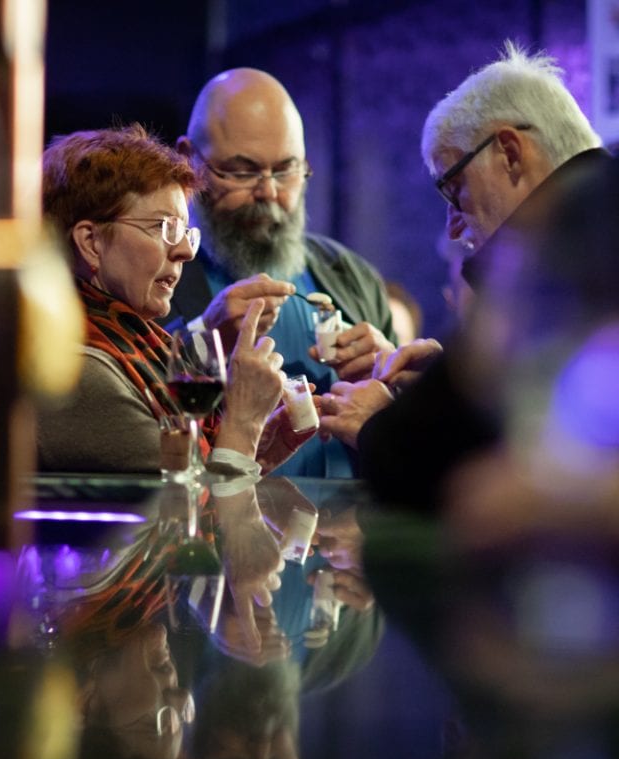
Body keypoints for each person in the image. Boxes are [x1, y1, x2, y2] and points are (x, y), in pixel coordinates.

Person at [319, 40, 611, 511]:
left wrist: (374, 425)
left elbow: (423, 462)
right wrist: (457, 379)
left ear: (510, 153)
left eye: (455, 190)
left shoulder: (567, 244)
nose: (453, 226)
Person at [37, 125, 315, 476]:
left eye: (185, 232)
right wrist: (242, 424)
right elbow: (192, 505)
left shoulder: (140, 343)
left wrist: (255, 454)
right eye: (163, 227)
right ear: (92, 243)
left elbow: (195, 478)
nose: (185, 251)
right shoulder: (80, 370)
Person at [166, 68, 397, 479]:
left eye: (286, 169)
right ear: (188, 159)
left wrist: (387, 379)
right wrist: (205, 339)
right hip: (216, 518)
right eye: (242, 171)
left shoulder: (351, 276)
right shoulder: (158, 272)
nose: (269, 192)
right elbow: (122, 401)